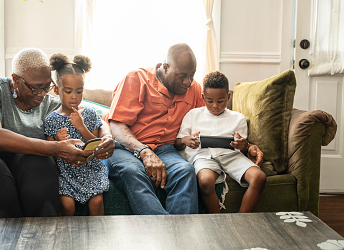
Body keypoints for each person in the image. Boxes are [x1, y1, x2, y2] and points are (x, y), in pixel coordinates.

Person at [0, 48, 114, 231]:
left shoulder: (49, 104)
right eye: (36, 87)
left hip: (14, 160)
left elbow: (96, 119)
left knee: (42, 165)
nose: (42, 94)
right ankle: (13, 246)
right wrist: (55, 148)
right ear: (15, 79)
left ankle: (44, 244)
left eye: (46, 86)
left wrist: (107, 137)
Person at [104, 43, 264, 215]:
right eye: (182, 76)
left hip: (166, 149)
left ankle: (182, 233)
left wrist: (248, 146)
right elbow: (117, 125)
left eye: (192, 75)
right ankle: (165, 229)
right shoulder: (136, 78)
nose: (187, 82)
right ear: (165, 67)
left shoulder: (194, 89)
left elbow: (213, 122)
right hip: (126, 148)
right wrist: (144, 151)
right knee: (132, 171)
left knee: (185, 171)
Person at [175, 71, 266, 213]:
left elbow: (242, 146)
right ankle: (219, 221)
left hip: (231, 156)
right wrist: (187, 140)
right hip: (203, 156)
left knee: (259, 177)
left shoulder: (238, 118)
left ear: (228, 97)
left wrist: (243, 146)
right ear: (203, 97)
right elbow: (178, 142)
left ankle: (242, 218)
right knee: (205, 181)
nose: (215, 106)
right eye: (210, 101)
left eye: (221, 101)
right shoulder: (193, 115)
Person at [44, 53, 110, 216]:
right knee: (67, 205)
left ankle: (98, 236)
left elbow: (96, 144)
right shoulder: (51, 119)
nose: (74, 96)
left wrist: (82, 128)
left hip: (90, 168)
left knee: (97, 202)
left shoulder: (89, 114)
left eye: (79, 91)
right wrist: (58, 143)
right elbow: (50, 154)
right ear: (57, 90)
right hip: (66, 171)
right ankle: (66, 238)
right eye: (68, 91)